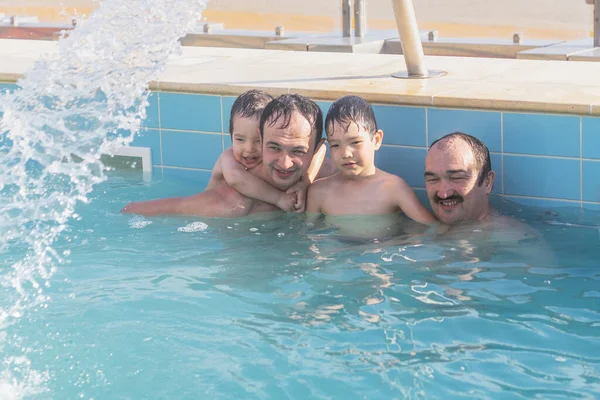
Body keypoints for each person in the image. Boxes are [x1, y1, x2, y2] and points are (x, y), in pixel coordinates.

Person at [122, 93, 334, 217]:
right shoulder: (234, 194)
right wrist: (133, 209)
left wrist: (305, 181)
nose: (285, 163)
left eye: (298, 150)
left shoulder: (323, 178)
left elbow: (321, 150)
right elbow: (178, 206)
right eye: (275, 147)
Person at [306, 95, 437, 222]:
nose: (346, 153)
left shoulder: (393, 188)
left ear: (376, 140)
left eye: (355, 142)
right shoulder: (319, 192)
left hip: (383, 244)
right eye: (335, 145)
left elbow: (431, 227)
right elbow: (306, 234)